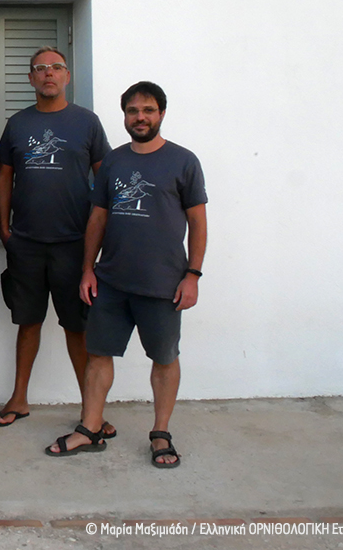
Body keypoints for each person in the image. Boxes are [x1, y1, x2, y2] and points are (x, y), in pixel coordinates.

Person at [45, 81, 206, 469]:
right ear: (124, 116)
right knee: (98, 355)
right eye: (133, 111)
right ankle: (90, 427)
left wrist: (193, 275)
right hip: (112, 281)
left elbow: (198, 223)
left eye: (148, 110)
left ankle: (161, 433)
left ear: (161, 114)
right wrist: (88, 269)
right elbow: (97, 218)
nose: (140, 117)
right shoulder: (114, 162)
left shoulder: (183, 161)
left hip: (163, 285)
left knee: (164, 358)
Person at [0, 46, 113, 434]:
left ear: (67, 76)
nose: (48, 74)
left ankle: (90, 411)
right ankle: (19, 399)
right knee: (28, 323)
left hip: (74, 244)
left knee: (76, 327)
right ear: (30, 78)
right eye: (40, 69)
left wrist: (100, 236)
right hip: (26, 242)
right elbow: (4, 176)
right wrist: (5, 227)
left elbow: (106, 179)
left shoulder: (87, 123)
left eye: (56, 68)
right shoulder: (18, 124)